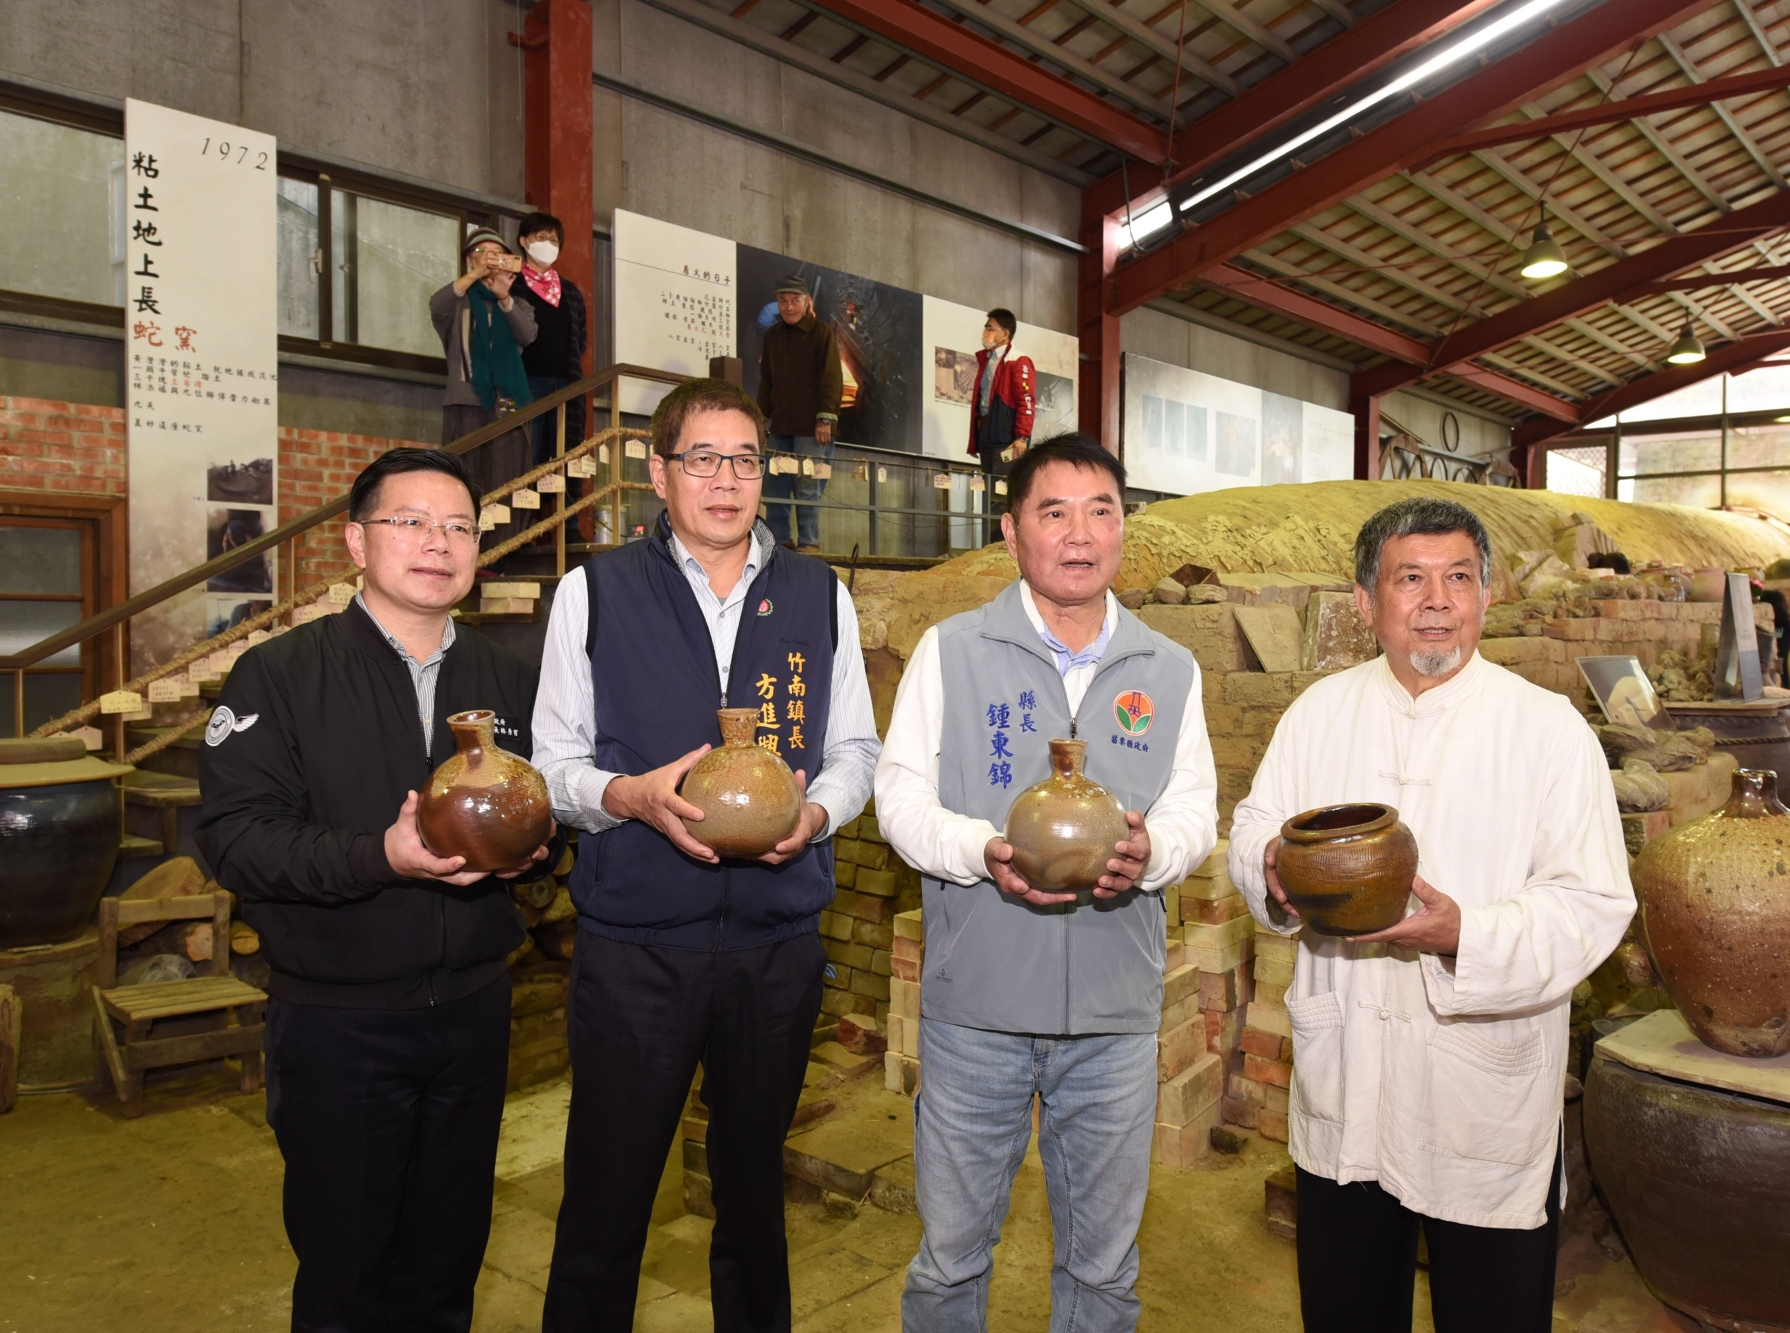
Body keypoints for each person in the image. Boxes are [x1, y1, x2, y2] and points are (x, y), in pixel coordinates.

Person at [1226, 497, 1633, 1333]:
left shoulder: (1548, 731)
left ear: (1488, 594)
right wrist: (1268, 867)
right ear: (1365, 601)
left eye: (1459, 578)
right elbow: (1256, 826)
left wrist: (1464, 936)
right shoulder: (1319, 714)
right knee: (1348, 1312)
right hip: (1348, 1080)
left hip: (1482, 1099)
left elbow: (1591, 902)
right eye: (1410, 578)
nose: (1438, 600)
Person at [534, 377, 880, 1331]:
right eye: (702, 459)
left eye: (744, 460)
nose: (725, 480)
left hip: (774, 947)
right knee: (606, 1197)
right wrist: (628, 797)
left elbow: (856, 749)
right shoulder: (594, 591)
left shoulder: (818, 594)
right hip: (637, 947)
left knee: (755, 1198)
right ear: (659, 473)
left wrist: (815, 814)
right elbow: (552, 762)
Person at [195, 446, 556, 1332]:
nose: (439, 542)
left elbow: (550, 821)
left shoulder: (511, 679)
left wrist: (535, 855)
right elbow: (236, 840)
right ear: (357, 542)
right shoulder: (280, 675)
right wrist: (377, 855)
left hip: (473, 1014)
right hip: (339, 1023)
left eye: (460, 526)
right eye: (411, 521)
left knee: (448, 1265)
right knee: (347, 1275)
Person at [875, 434, 1218, 1332]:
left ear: (1123, 529)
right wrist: (979, 848)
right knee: (950, 1258)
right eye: (1053, 511)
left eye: (1101, 511)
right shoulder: (950, 652)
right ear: (1011, 530)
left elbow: (1195, 808)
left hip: (1112, 1017)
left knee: (1104, 1269)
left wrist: (1155, 852)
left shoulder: (1168, 669)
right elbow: (899, 798)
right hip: (977, 1011)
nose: (1079, 533)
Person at [433, 227, 536, 543]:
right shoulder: (457, 304)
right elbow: (437, 305)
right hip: (465, 403)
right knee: (463, 479)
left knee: (505, 478)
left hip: (506, 405)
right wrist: (474, 275)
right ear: (468, 259)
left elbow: (527, 334)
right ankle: (462, 544)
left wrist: (504, 297)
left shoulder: (518, 304)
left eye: (497, 253)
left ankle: (502, 551)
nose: (491, 259)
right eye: (482, 252)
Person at [514, 210, 590, 538]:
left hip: (566, 385)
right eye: (541, 237)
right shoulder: (512, 285)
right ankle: (522, 528)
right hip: (526, 383)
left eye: (554, 240)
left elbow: (581, 339)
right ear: (523, 241)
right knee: (527, 455)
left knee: (568, 454)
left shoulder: (570, 291)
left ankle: (569, 524)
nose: (548, 244)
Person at [755, 276, 843, 553]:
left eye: (795, 300)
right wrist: (759, 419)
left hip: (812, 428)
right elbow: (766, 382)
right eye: (783, 301)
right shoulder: (772, 337)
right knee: (774, 487)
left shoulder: (822, 333)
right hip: (779, 426)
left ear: (807, 302)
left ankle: (809, 544)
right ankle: (780, 543)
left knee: (808, 486)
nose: (789, 306)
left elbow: (831, 378)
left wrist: (825, 418)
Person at [965, 307, 1036, 475]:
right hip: (986, 432)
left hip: (1007, 438)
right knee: (989, 487)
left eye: (990, 328)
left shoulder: (1019, 361)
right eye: (985, 328)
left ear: (1005, 334)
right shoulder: (987, 360)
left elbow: (1026, 400)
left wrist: (1022, 437)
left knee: (1002, 488)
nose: (985, 332)